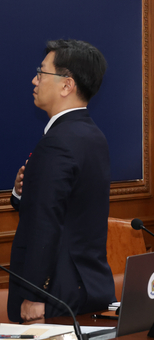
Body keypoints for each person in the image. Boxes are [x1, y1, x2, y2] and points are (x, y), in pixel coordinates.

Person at [8, 39, 115, 322]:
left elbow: (45, 224)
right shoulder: (94, 136)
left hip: (54, 294)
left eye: (42, 72)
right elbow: (70, 208)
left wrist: (33, 294)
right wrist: (22, 193)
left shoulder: (57, 143)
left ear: (67, 85)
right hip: (88, 285)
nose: (34, 79)